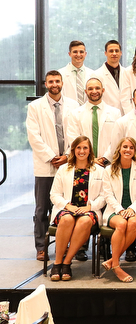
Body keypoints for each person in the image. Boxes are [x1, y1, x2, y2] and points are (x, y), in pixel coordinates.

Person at [27, 70, 80, 261]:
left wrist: (67, 155)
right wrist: (51, 157)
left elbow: (76, 133)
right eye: (51, 81)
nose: (55, 84)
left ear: (62, 82)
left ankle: (64, 245)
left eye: (57, 81)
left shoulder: (74, 106)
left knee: (66, 208)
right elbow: (34, 136)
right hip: (45, 166)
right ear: (45, 84)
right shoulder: (35, 107)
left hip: (67, 164)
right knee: (42, 209)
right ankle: (41, 247)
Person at [48, 136, 105, 281]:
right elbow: (54, 194)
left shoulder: (99, 170)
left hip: (89, 210)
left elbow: (105, 196)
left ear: (90, 150)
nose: (82, 151)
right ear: (73, 150)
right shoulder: (63, 169)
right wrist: (67, 206)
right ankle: (57, 262)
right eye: (78, 147)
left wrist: (90, 207)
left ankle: (67, 262)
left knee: (85, 221)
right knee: (67, 219)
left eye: (85, 148)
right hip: (67, 208)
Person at [101, 137, 136, 279]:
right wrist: (120, 210)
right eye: (125, 147)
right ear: (119, 149)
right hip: (115, 210)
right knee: (122, 223)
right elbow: (108, 195)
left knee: (132, 222)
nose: (128, 150)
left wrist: (132, 209)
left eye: (131, 147)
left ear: (135, 151)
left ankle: (113, 261)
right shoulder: (108, 170)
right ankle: (117, 266)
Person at [66, 77, 121, 167]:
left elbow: (117, 139)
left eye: (97, 88)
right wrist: (90, 159)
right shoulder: (75, 113)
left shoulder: (115, 113)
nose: (94, 91)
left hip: (108, 164)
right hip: (84, 163)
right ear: (86, 91)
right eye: (90, 89)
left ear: (103, 90)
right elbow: (74, 139)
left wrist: (105, 158)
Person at [58, 40, 93, 105]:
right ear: (69, 54)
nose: (78, 54)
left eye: (81, 52)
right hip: (68, 112)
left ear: (85, 54)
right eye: (75, 52)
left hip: (87, 112)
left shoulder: (93, 74)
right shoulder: (60, 74)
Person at [94, 40, 124, 111]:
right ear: (105, 53)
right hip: (107, 116)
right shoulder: (97, 75)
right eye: (111, 51)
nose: (114, 53)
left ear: (121, 53)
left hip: (125, 116)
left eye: (116, 51)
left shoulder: (127, 73)